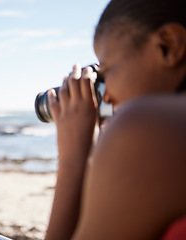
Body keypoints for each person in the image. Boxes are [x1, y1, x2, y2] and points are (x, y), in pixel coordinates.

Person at [44, 0, 186, 239]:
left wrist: (73, 159)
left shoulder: (146, 128)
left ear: (168, 45)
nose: (106, 95)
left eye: (107, 71)